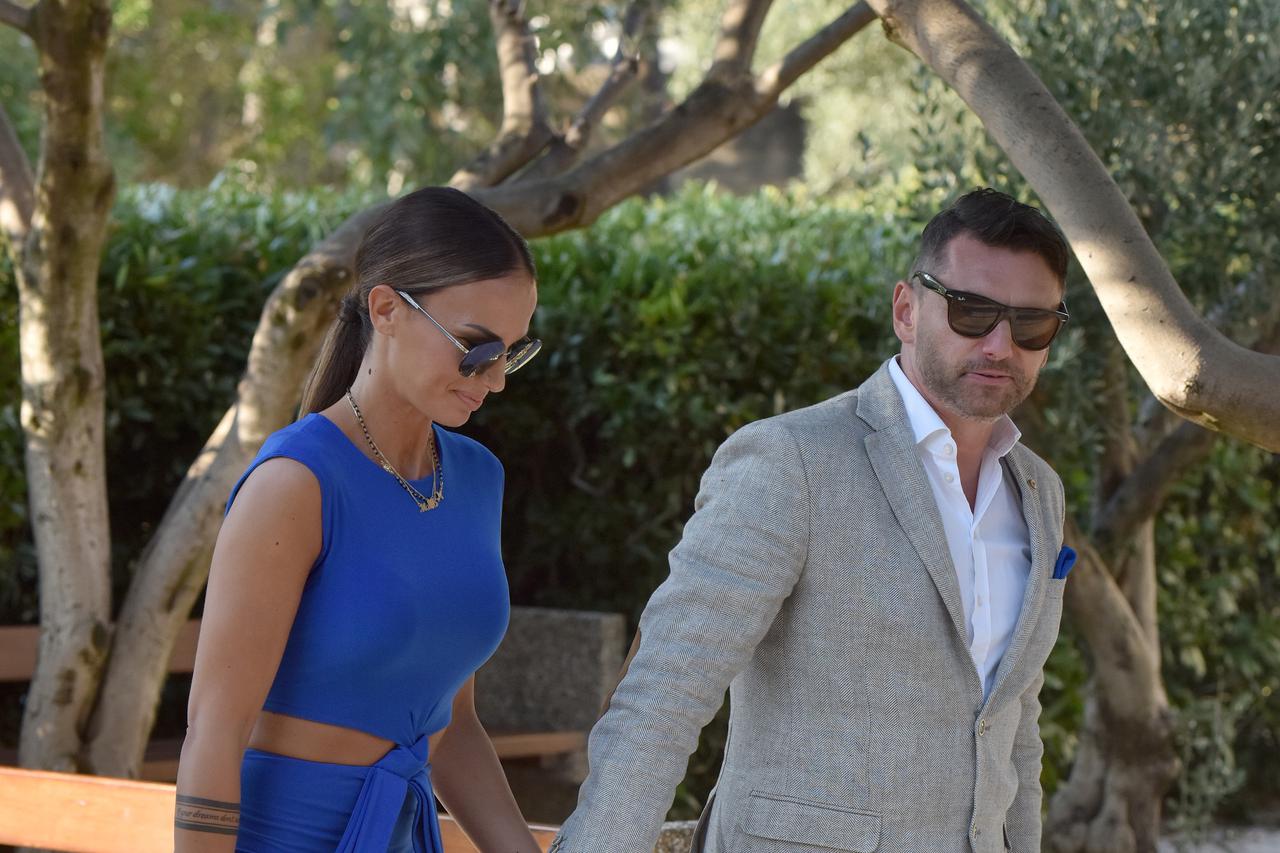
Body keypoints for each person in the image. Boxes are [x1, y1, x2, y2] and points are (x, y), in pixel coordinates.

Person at [551, 188, 1076, 853]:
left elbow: (1015, 722)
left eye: (1031, 324)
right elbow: (666, 692)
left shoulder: (1039, 490)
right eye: (972, 311)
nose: (1000, 344)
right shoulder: (791, 461)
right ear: (907, 310)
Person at [175, 186, 545, 852]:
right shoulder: (295, 483)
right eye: (474, 347)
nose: (494, 379)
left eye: (511, 353)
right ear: (386, 309)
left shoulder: (477, 479)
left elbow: (454, 724)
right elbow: (213, 733)